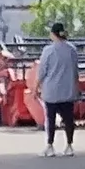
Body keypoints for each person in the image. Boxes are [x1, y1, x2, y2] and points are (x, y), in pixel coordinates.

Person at [35, 18, 81, 154]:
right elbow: (75, 71)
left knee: (50, 119)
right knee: (68, 119)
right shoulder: (72, 50)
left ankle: (50, 146)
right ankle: (69, 146)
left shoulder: (48, 50)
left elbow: (42, 71)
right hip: (68, 91)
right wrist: (77, 88)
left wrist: (35, 88)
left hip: (51, 92)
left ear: (53, 34)